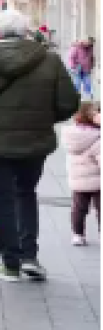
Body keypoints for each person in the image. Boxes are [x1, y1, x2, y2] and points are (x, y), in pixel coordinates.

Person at [0, 9, 82, 282]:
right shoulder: (49, 60)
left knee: (2, 198)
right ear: (25, 31)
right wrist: (44, 119)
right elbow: (69, 103)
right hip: (35, 142)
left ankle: (10, 263)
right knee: (26, 192)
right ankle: (29, 257)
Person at [64, 102, 100, 246]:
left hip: (78, 180)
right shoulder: (97, 137)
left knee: (79, 208)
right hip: (98, 181)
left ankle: (78, 234)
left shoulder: (72, 135)